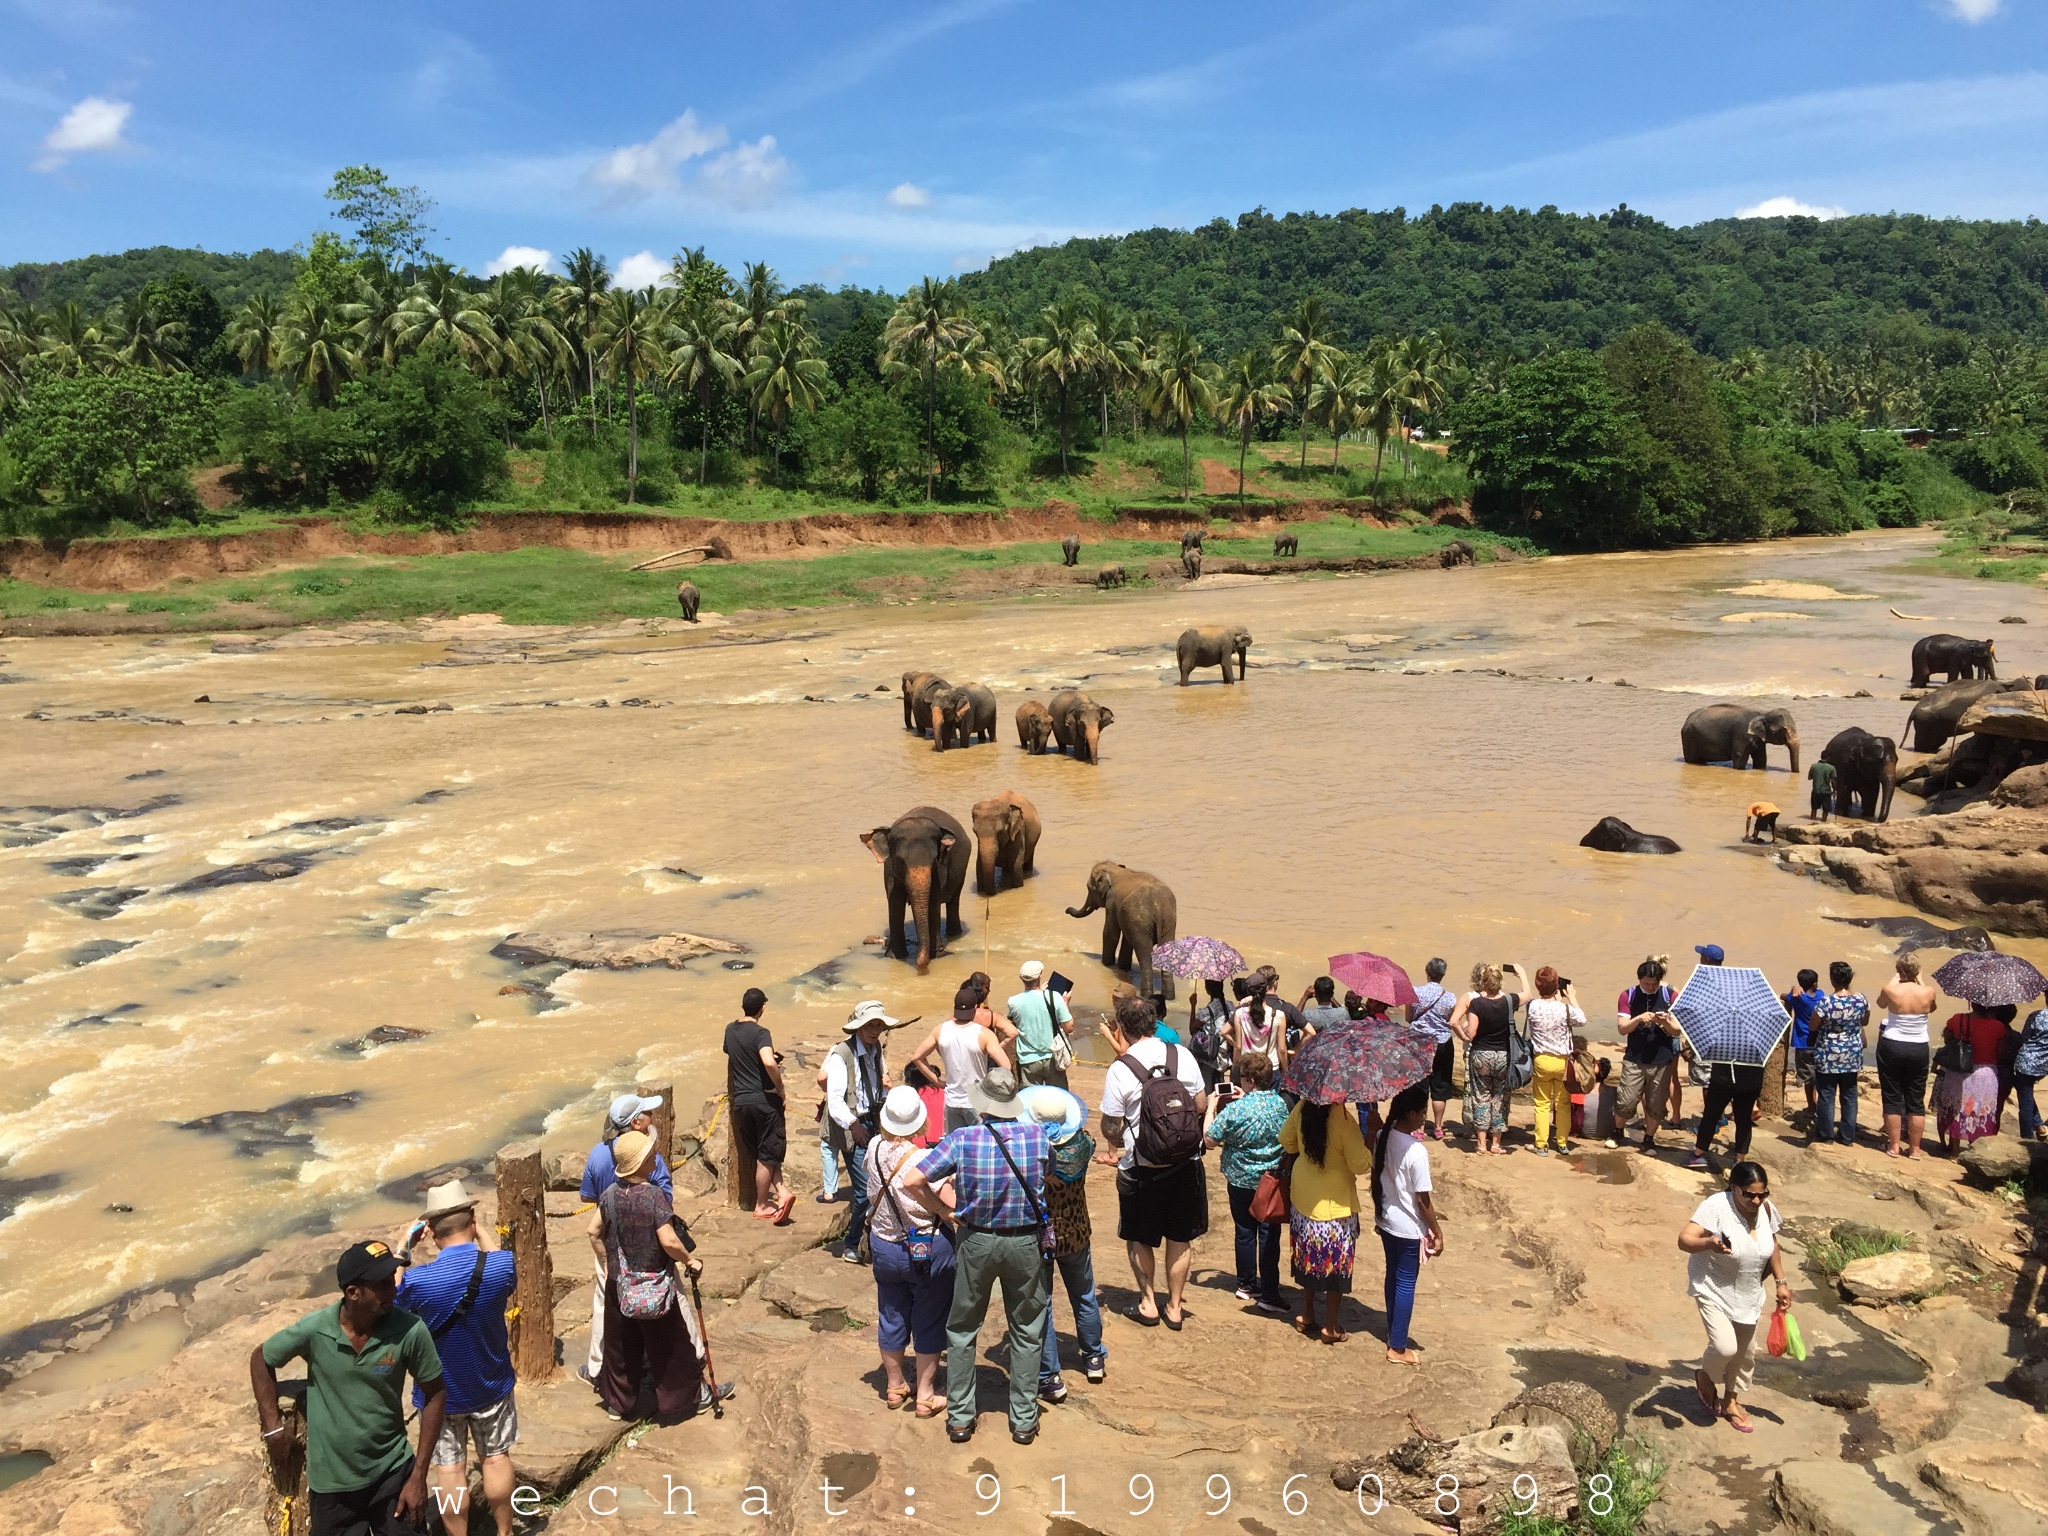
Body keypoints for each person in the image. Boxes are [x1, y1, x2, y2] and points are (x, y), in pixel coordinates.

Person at [898, 1067, 1053, 1446]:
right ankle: (1023, 1420)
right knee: (1028, 1329)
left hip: (976, 1241)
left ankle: (961, 1418)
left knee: (963, 1329)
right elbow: (1046, 1176)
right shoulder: (1037, 1136)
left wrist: (944, 1211)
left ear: (983, 1102)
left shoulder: (963, 1138)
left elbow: (912, 1180)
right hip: (1023, 1243)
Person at [251, 1240, 445, 1536]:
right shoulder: (315, 1330)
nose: (393, 1290)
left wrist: (418, 1476)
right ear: (353, 1292)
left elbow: (435, 1394)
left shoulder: (410, 1330)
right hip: (332, 1485)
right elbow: (261, 1358)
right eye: (381, 1284)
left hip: (393, 1473)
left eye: (392, 1279)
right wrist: (273, 1428)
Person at [394, 1181, 518, 1536]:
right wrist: (482, 1233)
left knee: (450, 1470)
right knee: (495, 1459)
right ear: (473, 1220)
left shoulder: (418, 1281)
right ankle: (505, 1532)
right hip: (491, 1382)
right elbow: (499, 1260)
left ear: (430, 1234)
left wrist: (404, 1247)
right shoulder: (500, 1267)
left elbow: (393, 1296)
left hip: (440, 1395)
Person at [586, 1130, 719, 1423]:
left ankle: (618, 1404)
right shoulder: (654, 1197)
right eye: (650, 1154)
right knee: (671, 1346)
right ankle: (691, 1398)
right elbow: (669, 1241)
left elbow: (593, 1231)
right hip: (654, 1284)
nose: (654, 1156)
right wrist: (690, 1259)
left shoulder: (608, 1195)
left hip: (619, 1283)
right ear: (642, 1162)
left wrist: (606, 1261)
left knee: (621, 1346)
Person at [1099, 991, 1210, 1329]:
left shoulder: (1121, 1068)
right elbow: (1202, 1104)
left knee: (1139, 1236)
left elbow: (1110, 1124)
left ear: (1122, 1028)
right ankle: (1174, 1307)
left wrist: (1117, 1140)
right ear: (1153, 1023)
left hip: (1141, 1167)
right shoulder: (1181, 1054)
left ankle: (1148, 1301)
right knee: (1180, 1238)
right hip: (1185, 1162)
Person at [863, 1084, 957, 1418]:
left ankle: (894, 1385)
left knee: (891, 1312)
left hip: (884, 1244)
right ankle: (926, 1394)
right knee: (929, 1316)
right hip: (926, 1246)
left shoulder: (873, 1147)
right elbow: (951, 1204)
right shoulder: (924, 1160)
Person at [1678, 1161, 1791, 1435]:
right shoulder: (1716, 1206)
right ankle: (1706, 1375)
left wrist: (1781, 1282)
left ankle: (1731, 1402)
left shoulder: (1765, 1208)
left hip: (1748, 1289)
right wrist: (1709, 1243)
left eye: (1761, 1194)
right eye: (1749, 1194)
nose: (1755, 1200)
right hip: (1712, 1286)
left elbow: (1772, 1243)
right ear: (1733, 1188)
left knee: (1744, 1352)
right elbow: (1684, 1240)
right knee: (1725, 1347)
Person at [578, 1093, 674, 1388]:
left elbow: (587, 1196)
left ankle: (598, 1367)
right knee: (664, 1298)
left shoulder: (597, 1154)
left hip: (609, 1242)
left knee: (606, 1304)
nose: (653, 1119)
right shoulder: (650, 1158)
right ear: (635, 1123)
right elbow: (666, 1198)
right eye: (648, 1115)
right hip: (648, 1243)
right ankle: (671, 1369)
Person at [1279, 1093, 1373, 1344]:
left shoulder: (1302, 1107)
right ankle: (1331, 1326)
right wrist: (1372, 1135)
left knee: (1308, 1259)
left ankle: (1307, 1313)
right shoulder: (1343, 1121)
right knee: (1336, 1268)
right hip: (1335, 1205)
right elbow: (1360, 1165)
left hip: (1304, 1197)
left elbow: (1287, 1141)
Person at [1032, 1086, 1107, 1402]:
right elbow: (1085, 1139)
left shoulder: (1033, 1152)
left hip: (1041, 1236)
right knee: (1085, 1294)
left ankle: (1050, 1375)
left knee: (1044, 1303)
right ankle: (1093, 1357)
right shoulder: (1085, 1144)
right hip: (1076, 1230)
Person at [1205, 1051, 1289, 1314]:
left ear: (1250, 1080)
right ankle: (1269, 1290)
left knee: (1244, 1231)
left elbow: (1209, 1139)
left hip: (1241, 1179)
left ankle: (1246, 1284)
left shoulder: (1236, 1109)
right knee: (1269, 1234)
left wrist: (1210, 1107)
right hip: (1270, 1180)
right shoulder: (1280, 1104)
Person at [1373, 1082, 1444, 1364]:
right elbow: (1422, 1200)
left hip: (1387, 1218)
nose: (1424, 1117)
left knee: (1394, 1274)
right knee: (1405, 1282)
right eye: (1422, 1113)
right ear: (1412, 1114)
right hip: (1406, 1225)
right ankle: (1398, 1346)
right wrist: (1436, 1231)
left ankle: (1394, 1330)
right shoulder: (1415, 1151)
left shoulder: (1383, 1135)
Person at [827, 999, 902, 1262]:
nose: (874, 1030)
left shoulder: (875, 1049)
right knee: (863, 1189)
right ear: (858, 1027)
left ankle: (870, 1237)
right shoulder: (841, 1054)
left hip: (873, 1120)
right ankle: (851, 1242)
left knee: (881, 1179)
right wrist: (854, 1124)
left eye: (878, 1025)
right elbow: (834, 1100)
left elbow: (877, 1083)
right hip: (851, 1123)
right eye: (870, 1025)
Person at [724, 988, 793, 1222]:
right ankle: (762, 1204)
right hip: (764, 1101)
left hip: (741, 1103)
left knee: (765, 1152)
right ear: (762, 1008)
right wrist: (780, 1088)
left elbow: (735, 1055)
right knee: (768, 1154)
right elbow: (767, 1061)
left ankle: (782, 1192)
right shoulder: (762, 1033)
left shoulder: (730, 1030)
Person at [909, 985, 1012, 1134]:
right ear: (975, 1008)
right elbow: (1006, 1066)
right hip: (976, 1101)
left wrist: (937, 1081)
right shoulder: (984, 1034)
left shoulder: (940, 1030)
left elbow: (917, 1057)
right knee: (979, 1146)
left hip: (952, 1100)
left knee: (957, 1147)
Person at [1612, 956, 1680, 1152]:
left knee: (1656, 1103)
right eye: (1646, 984)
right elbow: (1622, 1028)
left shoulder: (1670, 996)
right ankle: (1618, 1132)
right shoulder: (1628, 995)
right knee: (1626, 1099)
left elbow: (1677, 1030)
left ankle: (1649, 1138)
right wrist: (1639, 1019)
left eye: (1654, 984)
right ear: (1639, 980)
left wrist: (1665, 1021)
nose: (1650, 987)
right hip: (1635, 1057)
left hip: (1662, 1059)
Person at [1448, 964, 1516, 1155]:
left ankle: (1479, 1140)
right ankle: (1496, 1143)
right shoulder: (1506, 1000)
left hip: (1476, 1052)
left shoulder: (1471, 999)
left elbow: (1453, 1021)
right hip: (1501, 1053)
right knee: (1499, 1097)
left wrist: (1464, 1037)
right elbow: (1526, 995)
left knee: (1477, 1095)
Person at [1875, 955, 1937, 1158]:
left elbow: (1880, 1004)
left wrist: (1896, 978)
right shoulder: (1928, 992)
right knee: (1915, 1099)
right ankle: (1915, 1149)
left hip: (1893, 1044)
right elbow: (1932, 1007)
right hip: (1918, 1046)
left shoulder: (1890, 990)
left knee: (1892, 1096)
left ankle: (1894, 1146)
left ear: (1899, 970)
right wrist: (1920, 979)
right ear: (1918, 970)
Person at [1936, 1002, 2015, 1153]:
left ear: (1972, 1003)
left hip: (1959, 1070)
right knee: (1981, 1112)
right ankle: (1976, 1149)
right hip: (1985, 1072)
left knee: (1956, 1109)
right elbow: (2000, 1052)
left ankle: (1954, 1151)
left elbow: (1947, 1040)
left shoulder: (1957, 1019)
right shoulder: (1998, 1027)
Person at [1522, 969, 1584, 1156]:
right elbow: (1581, 1019)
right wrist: (1571, 998)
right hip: (1561, 1062)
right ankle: (1562, 1142)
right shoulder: (1563, 1009)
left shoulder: (1532, 1006)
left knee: (1541, 1103)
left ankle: (1541, 1144)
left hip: (1541, 1059)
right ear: (1557, 985)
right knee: (1562, 1103)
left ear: (1537, 986)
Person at [1808, 962, 1870, 1147]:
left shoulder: (1826, 1002)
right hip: (1852, 1053)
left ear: (1832, 979)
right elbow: (1864, 1021)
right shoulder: (1861, 999)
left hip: (1828, 1053)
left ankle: (1826, 1134)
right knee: (1849, 1095)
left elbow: (1813, 1025)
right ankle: (1847, 1136)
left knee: (1827, 1094)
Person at [1410, 959, 1457, 1141]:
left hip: (1420, 1043)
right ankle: (1438, 1127)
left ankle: (1420, 1127)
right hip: (1443, 1043)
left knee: (1421, 1086)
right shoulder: (1450, 997)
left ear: (1426, 972)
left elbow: (1408, 1017)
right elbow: (1451, 1021)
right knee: (1440, 1085)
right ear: (1443, 975)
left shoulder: (1415, 992)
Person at [1008, 960, 1074, 1089]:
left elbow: (1012, 1024)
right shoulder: (1055, 997)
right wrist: (1065, 1003)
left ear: (1021, 978)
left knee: (1030, 1099)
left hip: (1028, 1060)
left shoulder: (1013, 1001)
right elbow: (1069, 1027)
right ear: (1040, 977)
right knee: (1057, 1096)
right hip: (1052, 1057)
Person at [1688, 1060, 1766, 1170]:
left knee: (1711, 1115)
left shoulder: (1725, 1043)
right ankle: (1740, 1159)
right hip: (1751, 1079)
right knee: (1744, 1120)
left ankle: (1698, 1154)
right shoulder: (1758, 1043)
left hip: (1723, 1076)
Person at [1784, 969, 1824, 1126]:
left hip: (1803, 1043)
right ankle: (1822, 1107)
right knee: (1821, 1077)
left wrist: (1794, 989)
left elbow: (1783, 996)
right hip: (1820, 1042)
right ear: (1815, 983)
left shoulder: (1799, 1000)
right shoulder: (1821, 996)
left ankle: (1811, 1107)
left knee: (1808, 1079)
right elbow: (1817, 991)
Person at [1229, 979, 1288, 1074]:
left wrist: (1235, 1066)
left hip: (1247, 1067)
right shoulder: (1278, 1015)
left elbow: (1238, 1047)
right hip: (1270, 1068)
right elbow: (1281, 1049)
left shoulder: (1239, 1014)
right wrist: (1285, 1069)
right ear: (1266, 989)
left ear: (1248, 992)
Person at [2013, 994, 2048, 1143]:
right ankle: (2039, 1125)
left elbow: (2024, 1037)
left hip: (2026, 1064)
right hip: (2044, 1064)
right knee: (2026, 1095)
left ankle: (2027, 1140)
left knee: (2025, 1102)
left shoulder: (2037, 1015)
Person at [1186, 979, 1232, 1090]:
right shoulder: (1230, 1005)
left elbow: (1192, 1030)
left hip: (1211, 1053)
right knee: (1221, 1085)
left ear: (1207, 990)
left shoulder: (1206, 1011)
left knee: (1207, 1085)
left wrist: (1193, 1006)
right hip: (1227, 1051)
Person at [1807, 756, 1837, 821]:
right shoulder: (1831, 768)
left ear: (1821, 757)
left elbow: (1809, 778)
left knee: (1814, 809)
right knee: (1825, 810)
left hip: (1815, 791)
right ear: (1828, 758)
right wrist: (1834, 790)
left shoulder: (1814, 766)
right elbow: (1833, 781)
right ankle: (1823, 822)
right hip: (1826, 792)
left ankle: (1812, 822)